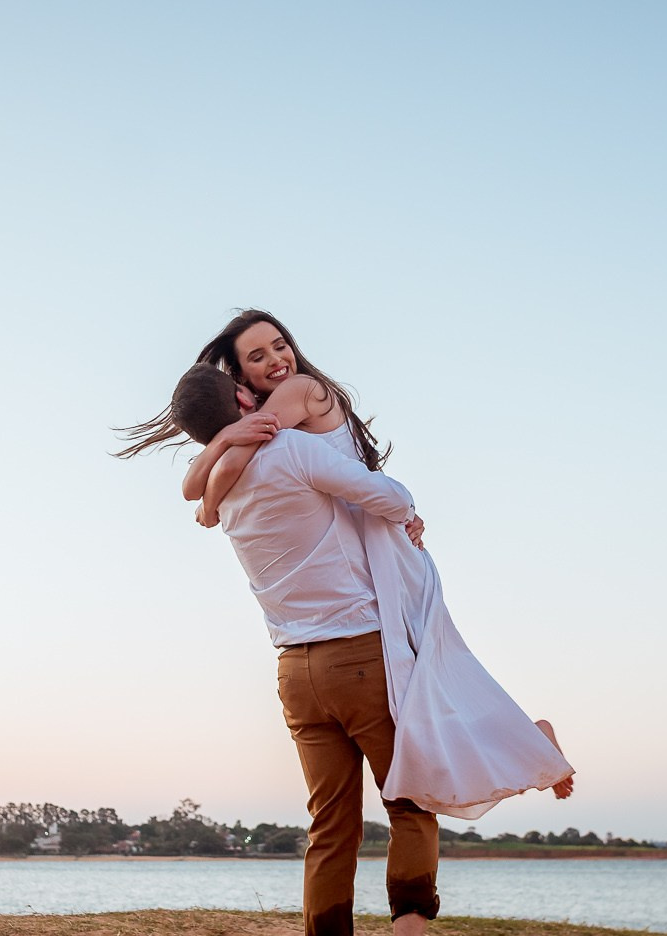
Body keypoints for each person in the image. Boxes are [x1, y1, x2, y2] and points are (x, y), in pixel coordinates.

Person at [167, 310, 574, 815]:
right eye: (258, 357)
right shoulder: (266, 420)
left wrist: (211, 501)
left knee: (425, 683)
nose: (276, 360)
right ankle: (530, 743)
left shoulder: (300, 391)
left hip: (380, 539)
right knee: (425, 684)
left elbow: (221, 471)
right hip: (372, 538)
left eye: (279, 345)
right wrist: (226, 443)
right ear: (241, 380)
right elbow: (209, 471)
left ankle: (529, 742)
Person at [122, 364, 437, 936]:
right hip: (359, 655)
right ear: (243, 400)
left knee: (330, 826)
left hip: (294, 670)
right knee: (409, 804)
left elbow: (198, 491)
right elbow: (394, 498)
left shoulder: (223, 485)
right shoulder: (290, 448)